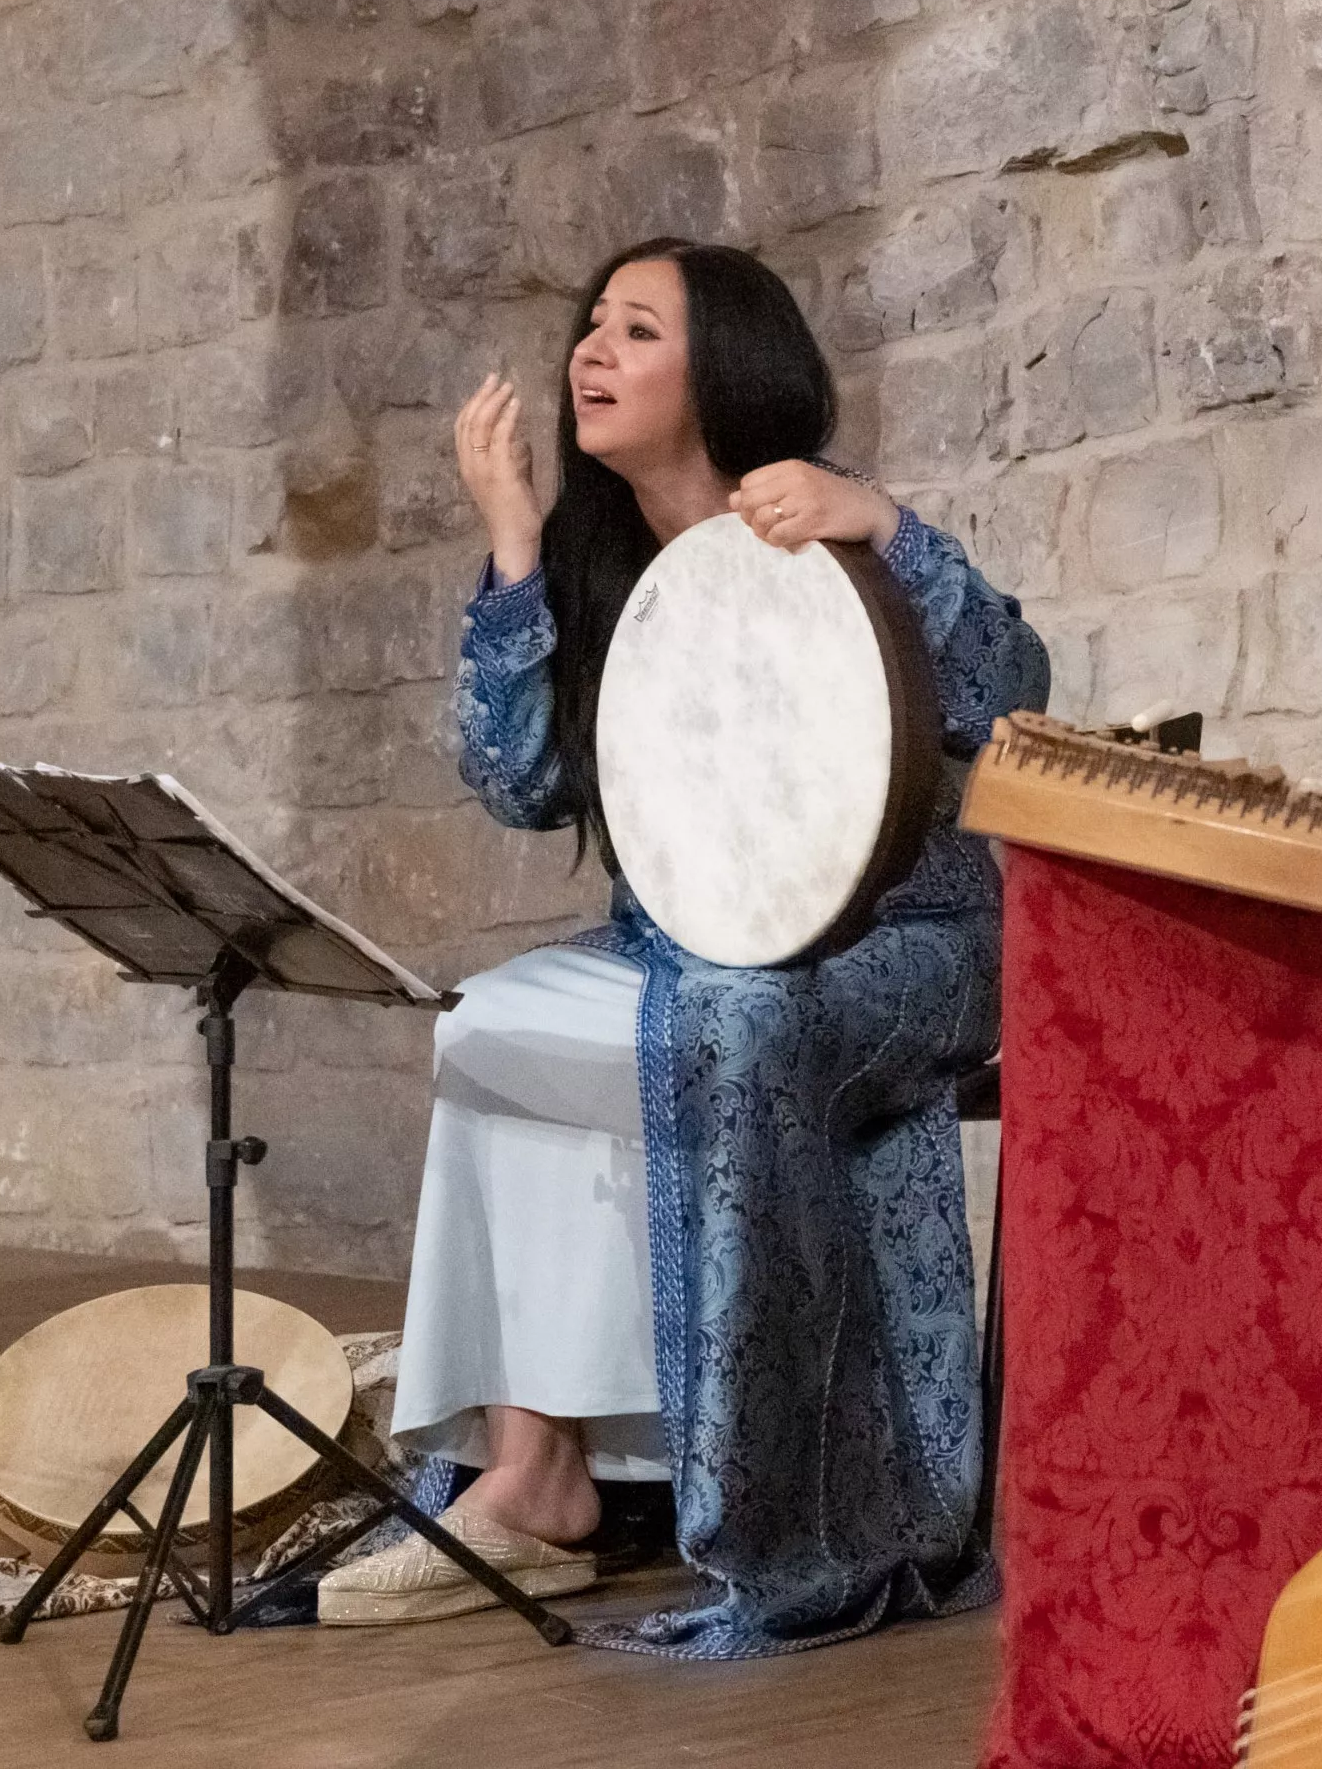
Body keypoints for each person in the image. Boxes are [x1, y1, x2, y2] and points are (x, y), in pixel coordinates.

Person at [319, 239, 1049, 1653]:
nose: (592, 351)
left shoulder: (815, 519)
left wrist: (884, 522)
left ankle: (788, 1509)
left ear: (720, 372)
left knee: (730, 1023)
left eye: (637, 330)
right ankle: (535, 1474)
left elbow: (1013, 687)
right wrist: (515, 543)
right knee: (491, 1024)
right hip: (691, 948)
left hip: (910, 942)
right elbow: (520, 782)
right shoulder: (601, 567)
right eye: (592, 323)